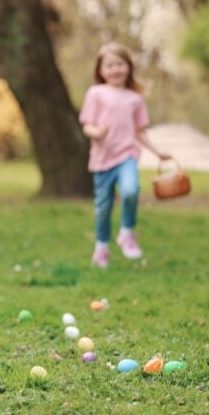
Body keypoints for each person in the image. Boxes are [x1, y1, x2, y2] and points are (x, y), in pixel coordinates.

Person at [79, 42, 171, 268]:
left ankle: (126, 233)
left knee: (131, 191)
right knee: (103, 208)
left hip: (126, 155)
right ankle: (102, 247)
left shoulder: (135, 99)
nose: (115, 69)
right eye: (109, 65)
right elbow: (86, 126)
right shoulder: (96, 93)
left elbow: (139, 131)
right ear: (101, 70)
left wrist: (158, 152)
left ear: (128, 67)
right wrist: (97, 132)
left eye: (119, 64)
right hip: (102, 159)